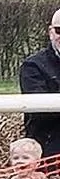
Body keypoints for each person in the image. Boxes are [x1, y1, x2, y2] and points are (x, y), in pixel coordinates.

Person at [18, 10, 60, 159]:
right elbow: (41, 111)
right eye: (59, 30)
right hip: (49, 155)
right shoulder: (33, 66)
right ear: (50, 32)